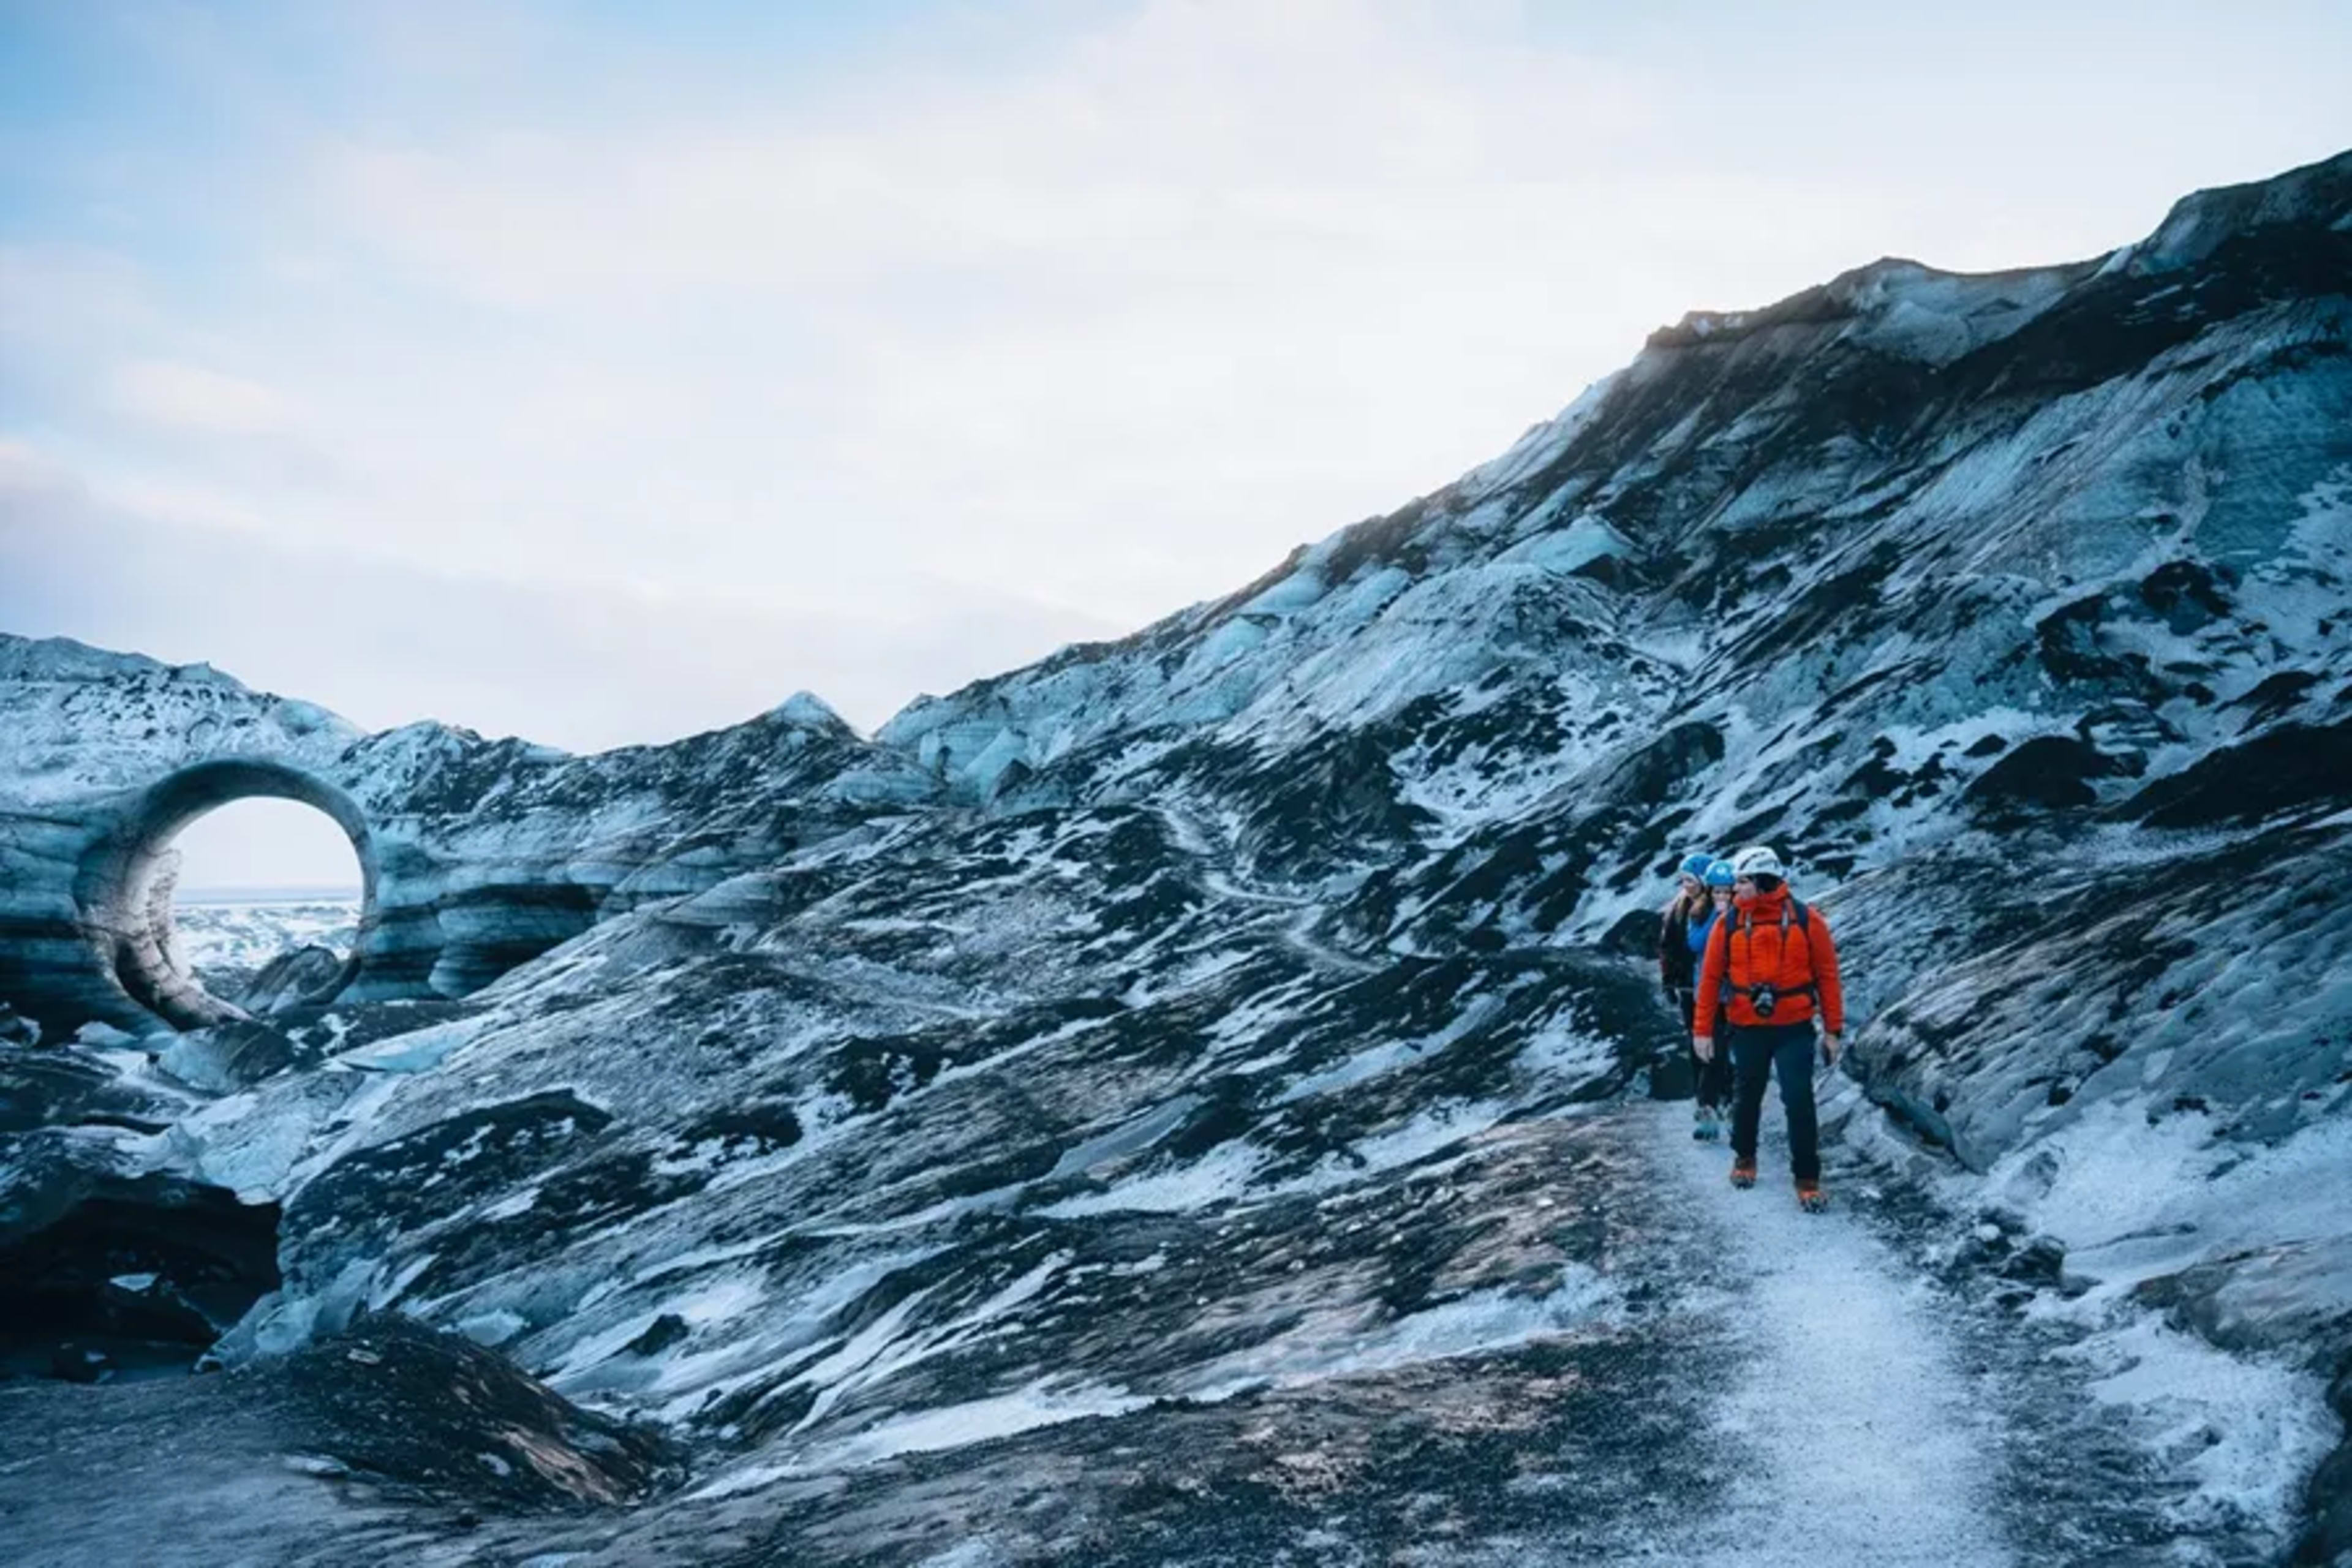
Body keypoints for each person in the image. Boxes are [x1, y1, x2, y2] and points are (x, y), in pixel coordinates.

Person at [1694, 845, 1845, 1210]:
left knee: (1799, 1101)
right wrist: (1701, 1030)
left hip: (1794, 1027)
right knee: (1747, 1098)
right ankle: (1744, 1158)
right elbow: (1711, 978)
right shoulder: (1727, 924)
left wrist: (1832, 1030)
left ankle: (1807, 1179)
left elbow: (1827, 977)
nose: (1735, 889)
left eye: (1742, 881)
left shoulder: (1808, 921)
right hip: (1747, 1027)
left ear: (1763, 881)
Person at [1656, 851, 1714, 1131]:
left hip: (1714, 987)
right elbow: (1667, 947)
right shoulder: (1676, 910)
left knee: (1717, 1041)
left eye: (1691, 880)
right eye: (1683, 880)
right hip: (1689, 988)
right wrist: (1669, 980)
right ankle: (1704, 1099)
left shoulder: (1718, 908)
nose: (1686, 885)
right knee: (1696, 1042)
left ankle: (1715, 1096)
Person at [1687, 858, 1738, 1138]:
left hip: (1736, 995)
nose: (1721, 897)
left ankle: (1730, 1104)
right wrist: (1717, 920)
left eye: (1726, 892)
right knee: (1713, 1053)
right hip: (1709, 995)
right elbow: (1694, 944)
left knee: (1735, 1054)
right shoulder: (1700, 913)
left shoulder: (1744, 915)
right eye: (1716, 892)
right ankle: (1708, 1107)